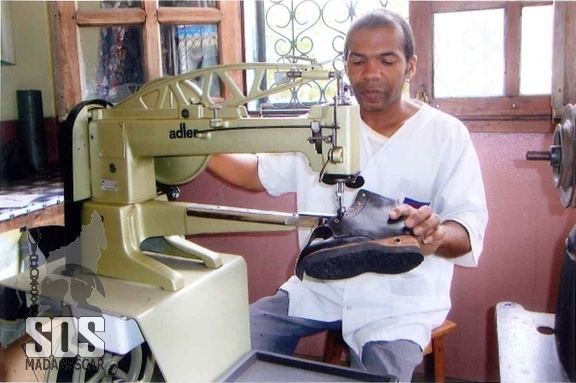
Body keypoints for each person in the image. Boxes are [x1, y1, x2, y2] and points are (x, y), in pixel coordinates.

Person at [208, 8, 488, 382]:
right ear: (346, 65)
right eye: (358, 61)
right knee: (224, 347)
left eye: (387, 61)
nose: (370, 73)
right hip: (320, 288)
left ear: (410, 65)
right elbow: (255, 174)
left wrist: (437, 235)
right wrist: (195, 144)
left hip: (399, 303)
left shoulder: (445, 136)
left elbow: (467, 231)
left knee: (381, 376)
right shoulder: (323, 125)